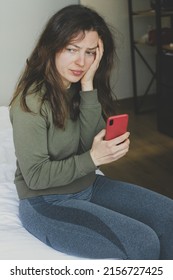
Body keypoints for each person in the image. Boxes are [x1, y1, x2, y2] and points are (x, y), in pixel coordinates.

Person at [9, 4, 173, 260]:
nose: (80, 61)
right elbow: (36, 178)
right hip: (48, 202)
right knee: (142, 242)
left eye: (89, 52)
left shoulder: (80, 88)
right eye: (71, 49)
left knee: (169, 216)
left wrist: (87, 87)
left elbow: (88, 144)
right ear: (51, 47)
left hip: (89, 186)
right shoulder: (30, 102)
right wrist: (94, 158)